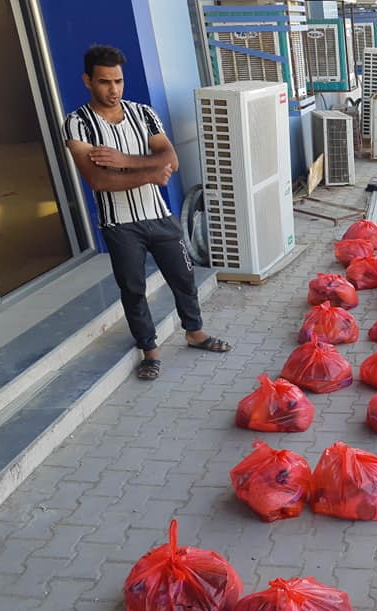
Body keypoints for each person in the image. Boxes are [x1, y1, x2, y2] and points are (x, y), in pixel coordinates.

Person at [63, 45, 230, 380]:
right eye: (104, 82)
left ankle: (195, 332)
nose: (113, 90)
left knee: (183, 277)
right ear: (87, 81)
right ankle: (149, 351)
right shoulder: (77, 123)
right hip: (119, 224)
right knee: (133, 289)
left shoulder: (143, 113)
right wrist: (151, 173)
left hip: (158, 215)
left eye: (118, 81)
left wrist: (123, 161)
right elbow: (98, 180)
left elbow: (171, 160)